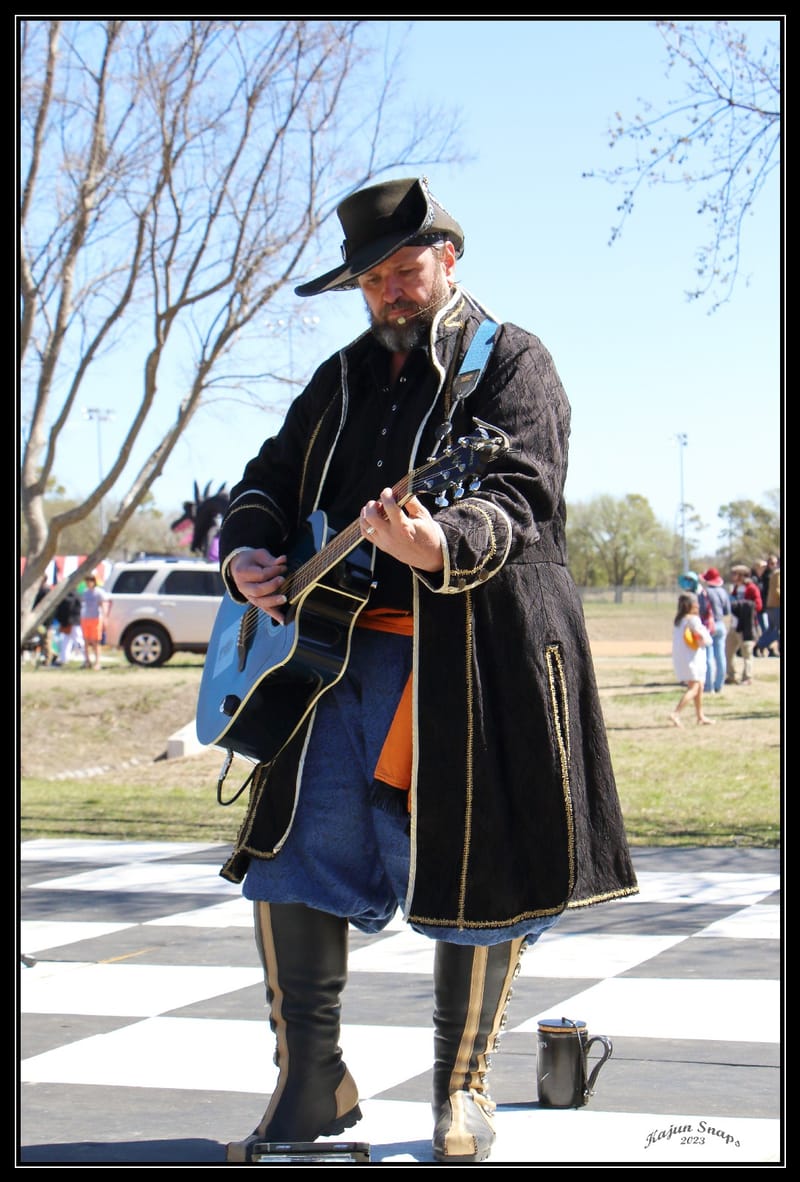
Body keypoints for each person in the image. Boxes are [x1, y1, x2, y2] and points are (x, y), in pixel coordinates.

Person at [212, 176, 639, 1164]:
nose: (390, 293)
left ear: (448, 259)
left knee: (472, 867)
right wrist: (247, 552)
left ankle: (463, 1088)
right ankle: (310, 1085)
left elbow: (521, 492)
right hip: (330, 664)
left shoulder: (512, 362)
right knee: (290, 857)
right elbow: (265, 479)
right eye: (372, 281)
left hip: (467, 664)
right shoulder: (340, 378)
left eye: (404, 271)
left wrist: (440, 540)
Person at [669, 591, 714, 726]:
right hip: (692, 657)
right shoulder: (693, 620)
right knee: (694, 687)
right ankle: (676, 713)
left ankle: (700, 716)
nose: (698, 606)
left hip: (683, 657)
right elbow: (704, 637)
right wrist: (706, 639)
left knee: (699, 686)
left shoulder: (679, 621)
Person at [699, 567, 732, 694]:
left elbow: (702, 610)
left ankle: (709, 685)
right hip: (720, 624)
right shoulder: (723, 592)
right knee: (720, 655)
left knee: (708, 656)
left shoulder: (705, 592)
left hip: (708, 626)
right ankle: (719, 684)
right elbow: (727, 610)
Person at [79, 573, 111, 670]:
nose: (88, 583)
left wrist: (105, 618)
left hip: (96, 618)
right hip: (85, 618)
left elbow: (104, 605)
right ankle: (87, 661)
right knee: (86, 641)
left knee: (95, 642)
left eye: (90, 581)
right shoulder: (85, 592)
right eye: (87, 581)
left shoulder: (99, 592)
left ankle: (97, 662)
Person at [754, 554, 781, 657]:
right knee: (776, 630)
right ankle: (760, 644)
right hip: (776, 605)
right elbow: (778, 589)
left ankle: (759, 645)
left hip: (771, 605)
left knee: (771, 629)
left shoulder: (774, 573)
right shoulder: (778, 574)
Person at [53, 586, 83, 666]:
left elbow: (70, 607)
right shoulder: (75, 594)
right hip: (69, 621)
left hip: (73, 622)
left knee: (78, 640)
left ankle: (86, 658)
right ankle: (64, 658)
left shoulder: (72, 595)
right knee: (66, 641)